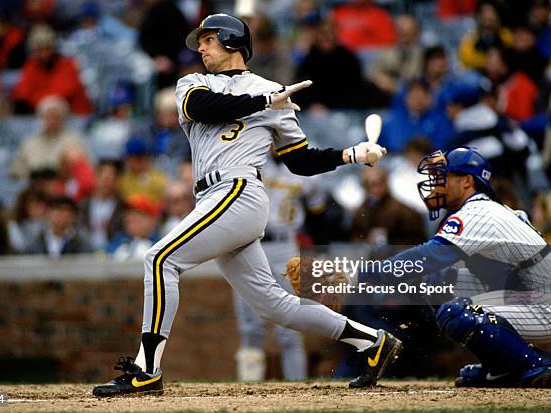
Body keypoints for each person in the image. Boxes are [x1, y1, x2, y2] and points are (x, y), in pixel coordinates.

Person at [92, 13, 398, 397]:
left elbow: (300, 160)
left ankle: (146, 368)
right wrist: (264, 101)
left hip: (238, 191)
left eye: (208, 40)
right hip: (214, 197)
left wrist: (352, 154)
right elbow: (205, 107)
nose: (200, 47)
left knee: (160, 260)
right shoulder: (194, 82)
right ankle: (371, 341)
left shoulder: (274, 91)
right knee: (274, 306)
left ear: (232, 41)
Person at [357, 147, 550, 388]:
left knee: (457, 312)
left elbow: (426, 257)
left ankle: (536, 365)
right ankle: (501, 367)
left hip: (544, 308)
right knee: (436, 283)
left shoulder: (478, 212)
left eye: (444, 176)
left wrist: (359, 276)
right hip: (527, 296)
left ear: (468, 181)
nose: (437, 184)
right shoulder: (487, 209)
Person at [233, 151, 326, 382]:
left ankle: (297, 390)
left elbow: (319, 213)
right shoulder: (247, 158)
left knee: (291, 327)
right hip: (248, 243)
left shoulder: (305, 169)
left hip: (286, 245)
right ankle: (247, 392)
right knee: (250, 327)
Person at [11, 24, 92, 114]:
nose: (44, 53)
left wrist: (37, 98)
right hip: (43, 113)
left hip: (75, 115)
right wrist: (39, 99)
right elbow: (22, 92)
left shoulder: (67, 64)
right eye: (40, 49)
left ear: (54, 48)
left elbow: (64, 93)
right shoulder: (31, 65)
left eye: (48, 48)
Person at [10, 96, 89, 181]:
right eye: (48, 116)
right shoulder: (30, 142)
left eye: (56, 116)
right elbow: (16, 173)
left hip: (63, 188)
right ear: (40, 118)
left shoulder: (74, 140)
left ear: (64, 119)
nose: (52, 120)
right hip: (34, 187)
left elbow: (86, 171)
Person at [26, 196, 94, 258]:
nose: (61, 215)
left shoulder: (81, 242)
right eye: (57, 210)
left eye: (65, 210)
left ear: (73, 216)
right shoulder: (37, 240)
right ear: (48, 213)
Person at [106, 194, 160, 261]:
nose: (130, 218)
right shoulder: (117, 241)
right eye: (128, 213)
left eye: (138, 213)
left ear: (152, 219)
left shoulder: (160, 246)